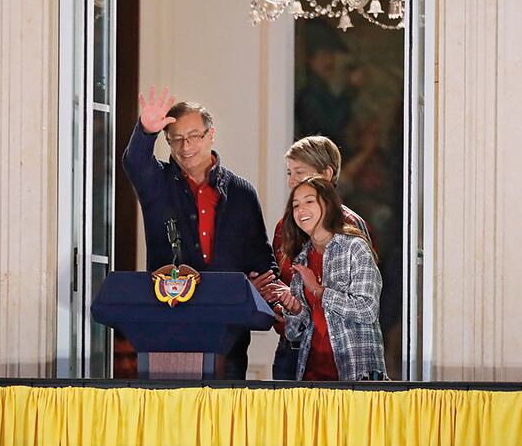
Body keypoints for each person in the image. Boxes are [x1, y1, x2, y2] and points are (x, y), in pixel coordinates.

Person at [122, 86, 277, 380]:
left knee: (225, 420)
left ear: (211, 135)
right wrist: (145, 131)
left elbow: (261, 257)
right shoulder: (158, 183)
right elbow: (135, 163)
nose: (185, 146)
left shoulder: (241, 192)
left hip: (228, 329)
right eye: (176, 139)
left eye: (194, 136)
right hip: (170, 324)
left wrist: (259, 290)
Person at [250, 136, 375, 380]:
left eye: (299, 172)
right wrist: (275, 299)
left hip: (340, 354)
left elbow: (366, 304)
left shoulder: (351, 227)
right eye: (289, 173)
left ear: (326, 175)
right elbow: (282, 282)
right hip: (292, 349)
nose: (291, 182)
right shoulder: (284, 226)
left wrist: (317, 291)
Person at [274, 176, 385, 381]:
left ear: (328, 204)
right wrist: (296, 310)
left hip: (356, 376)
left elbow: (368, 310)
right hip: (310, 377)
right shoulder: (301, 259)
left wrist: (318, 291)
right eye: (295, 205)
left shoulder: (355, 248)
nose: (300, 210)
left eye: (309, 201)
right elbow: (293, 334)